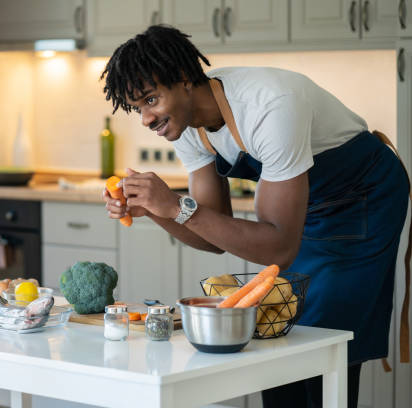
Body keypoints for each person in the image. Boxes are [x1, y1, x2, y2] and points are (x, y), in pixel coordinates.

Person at [100, 24, 410, 408]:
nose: (145, 119)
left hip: (363, 199)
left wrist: (175, 206)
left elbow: (277, 247)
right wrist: (157, 210)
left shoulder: (268, 106)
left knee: (327, 331)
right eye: (137, 108)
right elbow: (212, 235)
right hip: (304, 209)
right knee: (274, 323)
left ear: (183, 80)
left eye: (150, 100)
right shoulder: (186, 129)